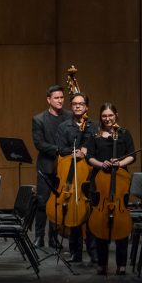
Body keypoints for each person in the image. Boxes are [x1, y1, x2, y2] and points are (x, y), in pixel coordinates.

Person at [87, 103, 135, 275]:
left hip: (120, 182)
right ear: (101, 117)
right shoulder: (95, 136)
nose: (107, 119)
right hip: (99, 184)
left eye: (110, 115)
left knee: (121, 223)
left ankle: (121, 264)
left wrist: (119, 163)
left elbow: (132, 155)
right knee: (100, 223)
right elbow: (89, 157)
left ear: (116, 115)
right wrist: (102, 164)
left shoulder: (124, 134)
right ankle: (102, 263)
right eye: (104, 116)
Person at [55, 93, 98, 264]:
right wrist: (73, 152)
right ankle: (75, 252)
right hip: (73, 174)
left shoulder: (94, 126)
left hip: (91, 175)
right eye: (74, 104)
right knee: (74, 212)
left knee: (92, 213)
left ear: (87, 107)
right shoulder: (64, 127)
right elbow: (60, 148)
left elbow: (98, 146)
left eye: (81, 104)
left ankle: (94, 251)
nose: (77, 106)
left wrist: (87, 149)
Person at [32, 85, 72, 249]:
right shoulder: (39, 119)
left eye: (62, 97)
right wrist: (59, 150)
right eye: (56, 98)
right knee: (42, 202)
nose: (60, 100)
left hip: (65, 168)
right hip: (47, 166)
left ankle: (53, 238)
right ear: (49, 99)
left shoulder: (69, 116)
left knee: (58, 203)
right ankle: (39, 236)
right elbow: (39, 143)